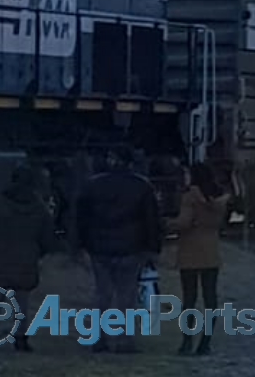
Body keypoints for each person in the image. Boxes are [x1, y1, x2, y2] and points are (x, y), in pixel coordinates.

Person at [74, 146, 162, 353]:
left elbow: (81, 218)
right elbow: (151, 220)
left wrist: (80, 245)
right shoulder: (142, 186)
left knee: (102, 294)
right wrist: (153, 248)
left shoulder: (93, 185)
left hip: (100, 248)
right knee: (127, 296)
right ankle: (124, 341)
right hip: (131, 248)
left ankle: (99, 338)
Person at [0, 163, 62, 352]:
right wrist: (41, 252)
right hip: (26, 258)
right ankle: (21, 337)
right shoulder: (39, 207)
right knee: (22, 300)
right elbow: (47, 236)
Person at [165, 163, 230, 356]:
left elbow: (183, 223)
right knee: (210, 298)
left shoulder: (190, 197)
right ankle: (205, 342)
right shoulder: (219, 198)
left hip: (190, 251)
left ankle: (187, 341)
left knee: (189, 299)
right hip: (211, 250)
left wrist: (166, 224)